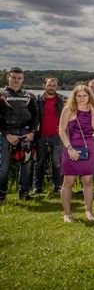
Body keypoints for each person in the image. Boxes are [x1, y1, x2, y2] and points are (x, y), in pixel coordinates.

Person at [58, 84, 94, 222]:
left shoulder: (93, 110)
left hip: (88, 146)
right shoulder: (68, 109)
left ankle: (89, 211)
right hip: (71, 147)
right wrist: (70, 148)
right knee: (68, 181)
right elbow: (61, 130)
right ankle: (67, 213)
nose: (82, 98)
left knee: (88, 181)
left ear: (90, 96)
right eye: (79, 95)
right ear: (74, 97)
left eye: (85, 95)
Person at [0, 67, 38, 202]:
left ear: (22, 79)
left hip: (26, 134)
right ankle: (1, 194)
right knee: (3, 166)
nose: (16, 80)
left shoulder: (29, 96)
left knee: (26, 164)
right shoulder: (1, 94)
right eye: (14, 77)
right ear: (8, 78)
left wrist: (32, 133)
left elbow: (35, 116)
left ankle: (24, 192)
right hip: (6, 135)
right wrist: (6, 134)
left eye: (19, 78)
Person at [33, 77, 66, 195]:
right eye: (49, 85)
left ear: (56, 87)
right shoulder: (37, 99)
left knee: (57, 162)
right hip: (41, 135)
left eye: (54, 85)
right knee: (39, 162)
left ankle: (58, 186)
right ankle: (37, 187)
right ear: (44, 86)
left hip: (57, 136)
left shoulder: (62, 99)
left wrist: (64, 128)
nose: (51, 87)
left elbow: (69, 115)